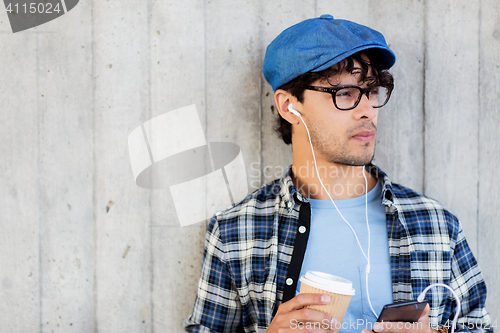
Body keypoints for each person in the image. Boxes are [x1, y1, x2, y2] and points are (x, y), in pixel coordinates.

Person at [184, 15, 492, 333]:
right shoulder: (237, 231)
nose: (367, 110)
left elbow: (478, 326)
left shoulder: (436, 225)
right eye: (344, 93)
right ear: (289, 106)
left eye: (372, 91)